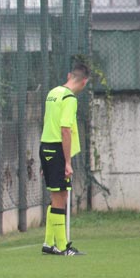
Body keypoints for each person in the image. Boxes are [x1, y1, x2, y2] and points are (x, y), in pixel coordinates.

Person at [39, 61, 90, 256]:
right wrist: (67, 162)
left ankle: (49, 242)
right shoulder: (69, 98)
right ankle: (62, 246)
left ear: (69, 75)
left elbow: (47, 122)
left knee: (58, 195)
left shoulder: (53, 93)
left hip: (45, 146)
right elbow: (65, 129)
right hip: (57, 149)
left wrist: (45, 160)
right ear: (84, 82)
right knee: (60, 196)